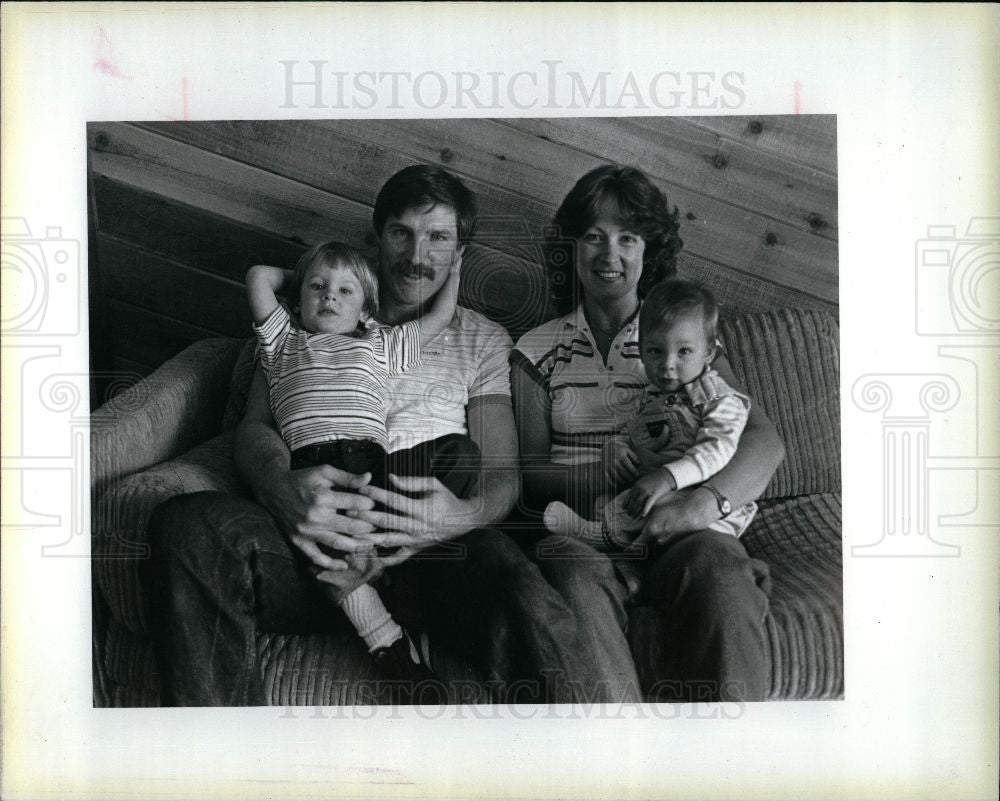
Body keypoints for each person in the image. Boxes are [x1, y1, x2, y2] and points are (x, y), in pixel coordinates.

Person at [147, 164, 622, 706]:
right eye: (402, 232)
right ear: (376, 235)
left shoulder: (484, 341)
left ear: (460, 250)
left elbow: (499, 473)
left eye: (438, 237)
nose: (416, 254)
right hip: (313, 549)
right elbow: (256, 424)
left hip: (429, 553)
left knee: (511, 575)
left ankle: (589, 761)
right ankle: (215, 770)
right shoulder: (306, 323)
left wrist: (459, 516)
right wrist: (278, 484)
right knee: (185, 525)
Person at [511, 165, 784, 703]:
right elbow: (529, 476)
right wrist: (596, 475)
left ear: (648, 249)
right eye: (593, 236)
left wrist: (703, 504)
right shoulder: (534, 350)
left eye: (627, 238)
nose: (609, 255)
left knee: (720, 570)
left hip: (682, 525)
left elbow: (764, 440)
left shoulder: (681, 339)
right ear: (570, 248)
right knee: (568, 573)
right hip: (587, 529)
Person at [245, 239, 468, 684]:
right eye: (319, 287)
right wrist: (304, 273)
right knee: (334, 541)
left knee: (460, 455)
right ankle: (384, 637)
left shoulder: (381, 343)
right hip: (313, 468)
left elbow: (439, 318)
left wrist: (456, 274)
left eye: (346, 291)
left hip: (373, 462)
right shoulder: (283, 340)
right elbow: (257, 276)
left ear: (366, 310)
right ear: (297, 301)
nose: (330, 295)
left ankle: (386, 566)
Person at [543, 278, 758, 549]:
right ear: (642, 352)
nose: (668, 365)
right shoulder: (653, 394)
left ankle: (601, 538)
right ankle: (625, 557)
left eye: (684, 352)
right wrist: (616, 447)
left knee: (653, 506)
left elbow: (719, 449)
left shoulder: (718, 397)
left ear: (708, 353)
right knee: (611, 502)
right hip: (661, 486)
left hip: (701, 502)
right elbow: (634, 430)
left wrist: (667, 478)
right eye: (656, 351)